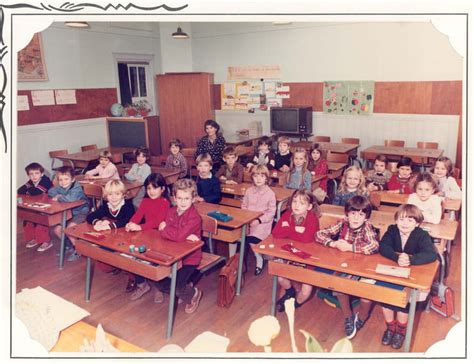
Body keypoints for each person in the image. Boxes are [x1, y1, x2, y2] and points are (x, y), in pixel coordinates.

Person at [315, 195, 379, 339]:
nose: (356, 218)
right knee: (339, 286)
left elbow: (374, 245)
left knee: (366, 297)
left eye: (361, 214)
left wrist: (350, 247)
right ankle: (348, 317)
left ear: (366, 218)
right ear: (347, 214)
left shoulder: (367, 227)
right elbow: (320, 234)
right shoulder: (343, 223)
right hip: (345, 265)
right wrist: (332, 243)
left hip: (364, 266)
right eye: (353, 213)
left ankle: (362, 317)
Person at [379, 204, 438, 350]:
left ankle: (401, 330)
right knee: (385, 298)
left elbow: (431, 254)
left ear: (417, 223)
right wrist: (396, 257)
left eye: (410, 220)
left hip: (413, 273)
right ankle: (390, 328)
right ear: (396, 220)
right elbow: (383, 247)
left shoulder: (422, 235)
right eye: (402, 219)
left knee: (403, 303)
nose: (405, 223)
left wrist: (410, 260)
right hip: (394, 270)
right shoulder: (392, 230)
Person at [155, 179, 203, 314]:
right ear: (174, 198)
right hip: (170, 253)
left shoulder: (195, 218)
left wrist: (165, 230)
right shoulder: (171, 211)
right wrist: (179, 235)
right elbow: (177, 235)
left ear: (193, 199)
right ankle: (184, 289)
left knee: (176, 286)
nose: (182, 202)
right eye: (179, 198)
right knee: (155, 277)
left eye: (186, 198)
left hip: (189, 258)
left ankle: (193, 294)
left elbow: (177, 235)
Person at [124, 173, 170, 300]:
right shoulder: (145, 201)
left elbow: (157, 221)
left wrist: (139, 227)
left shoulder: (165, 202)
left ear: (163, 189)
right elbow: (138, 215)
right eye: (149, 188)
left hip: (160, 237)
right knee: (133, 256)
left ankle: (158, 289)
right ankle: (142, 284)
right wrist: (131, 223)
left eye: (155, 188)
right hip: (146, 234)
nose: (151, 191)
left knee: (153, 263)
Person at [272, 189, 320, 312]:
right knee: (280, 276)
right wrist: (296, 230)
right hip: (290, 252)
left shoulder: (312, 218)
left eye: (301, 203)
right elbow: (276, 233)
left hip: (308, 256)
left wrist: (288, 229)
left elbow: (307, 238)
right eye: (294, 201)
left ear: (309, 207)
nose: (296, 205)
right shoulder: (287, 214)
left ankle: (295, 304)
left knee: (306, 290)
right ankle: (290, 291)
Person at [241, 165, 276, 275]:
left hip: (262, 223)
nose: (259, 179)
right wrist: (247, 218)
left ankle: (259, 259)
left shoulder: (270, 193)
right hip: (248, 221)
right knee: (239, 237)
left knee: (251, 239)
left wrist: (259, 220)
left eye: (262, 176)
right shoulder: (249, 191)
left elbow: (271, 213)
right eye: (256, 176)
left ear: (266, 178)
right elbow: (244, 205)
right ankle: (239, 264)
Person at [48, 166, 89, 257]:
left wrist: (59, 197)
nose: (63, 182)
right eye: (60, 180)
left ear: (73, 179)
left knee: (70, 229)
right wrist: (59, 194)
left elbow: (70, 198)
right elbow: (50, 191)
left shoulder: (77, 187)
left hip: (80, 212)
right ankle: (68, 245)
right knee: (57, 229)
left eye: (66, 179)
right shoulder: (61, 187)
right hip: (67, 213)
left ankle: (77, 249)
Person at [17, 162, 53, 250]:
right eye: (31, 174)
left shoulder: (45, 180)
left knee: (40, 220)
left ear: (42, 174)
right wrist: (30, 190)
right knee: (28, 220)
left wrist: (29, 190)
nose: (34, 176)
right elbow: (20, 190)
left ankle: (46, 241)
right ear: (28, 175)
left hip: (48, 206)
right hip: (37, 205)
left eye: (37, 173)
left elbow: (35, 192)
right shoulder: (31, 181)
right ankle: (34, 238)